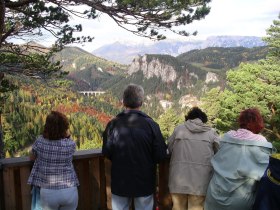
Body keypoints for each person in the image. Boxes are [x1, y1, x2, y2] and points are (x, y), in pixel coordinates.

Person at [102, 84, 167, 210]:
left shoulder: (112, 124)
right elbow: (160, 155)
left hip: (120, 181)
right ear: (141, 102)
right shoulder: (151, 125)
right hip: (145, 182)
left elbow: (107, 152)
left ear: (123, 101)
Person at [204, 108, 273, 210]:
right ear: (258, 123)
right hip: (238, 203)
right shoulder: (261, 143)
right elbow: (267, 174)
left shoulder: (227, 138)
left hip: (213, 197)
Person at [168, 107, 220, 210]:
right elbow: (220, 151)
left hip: (178, 180)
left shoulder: (179, 129)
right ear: (203, 119)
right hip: (201, 181)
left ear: (188, 118)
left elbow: (169, 149)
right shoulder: (211, 132)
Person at [28, 111, 79, 210]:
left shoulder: (40, 142)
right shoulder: (70, 144)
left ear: (47, 126)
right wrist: (67, 135)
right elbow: (69, 145)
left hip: (48, 192)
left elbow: (32, 157)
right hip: (69, 190)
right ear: (65, 127)